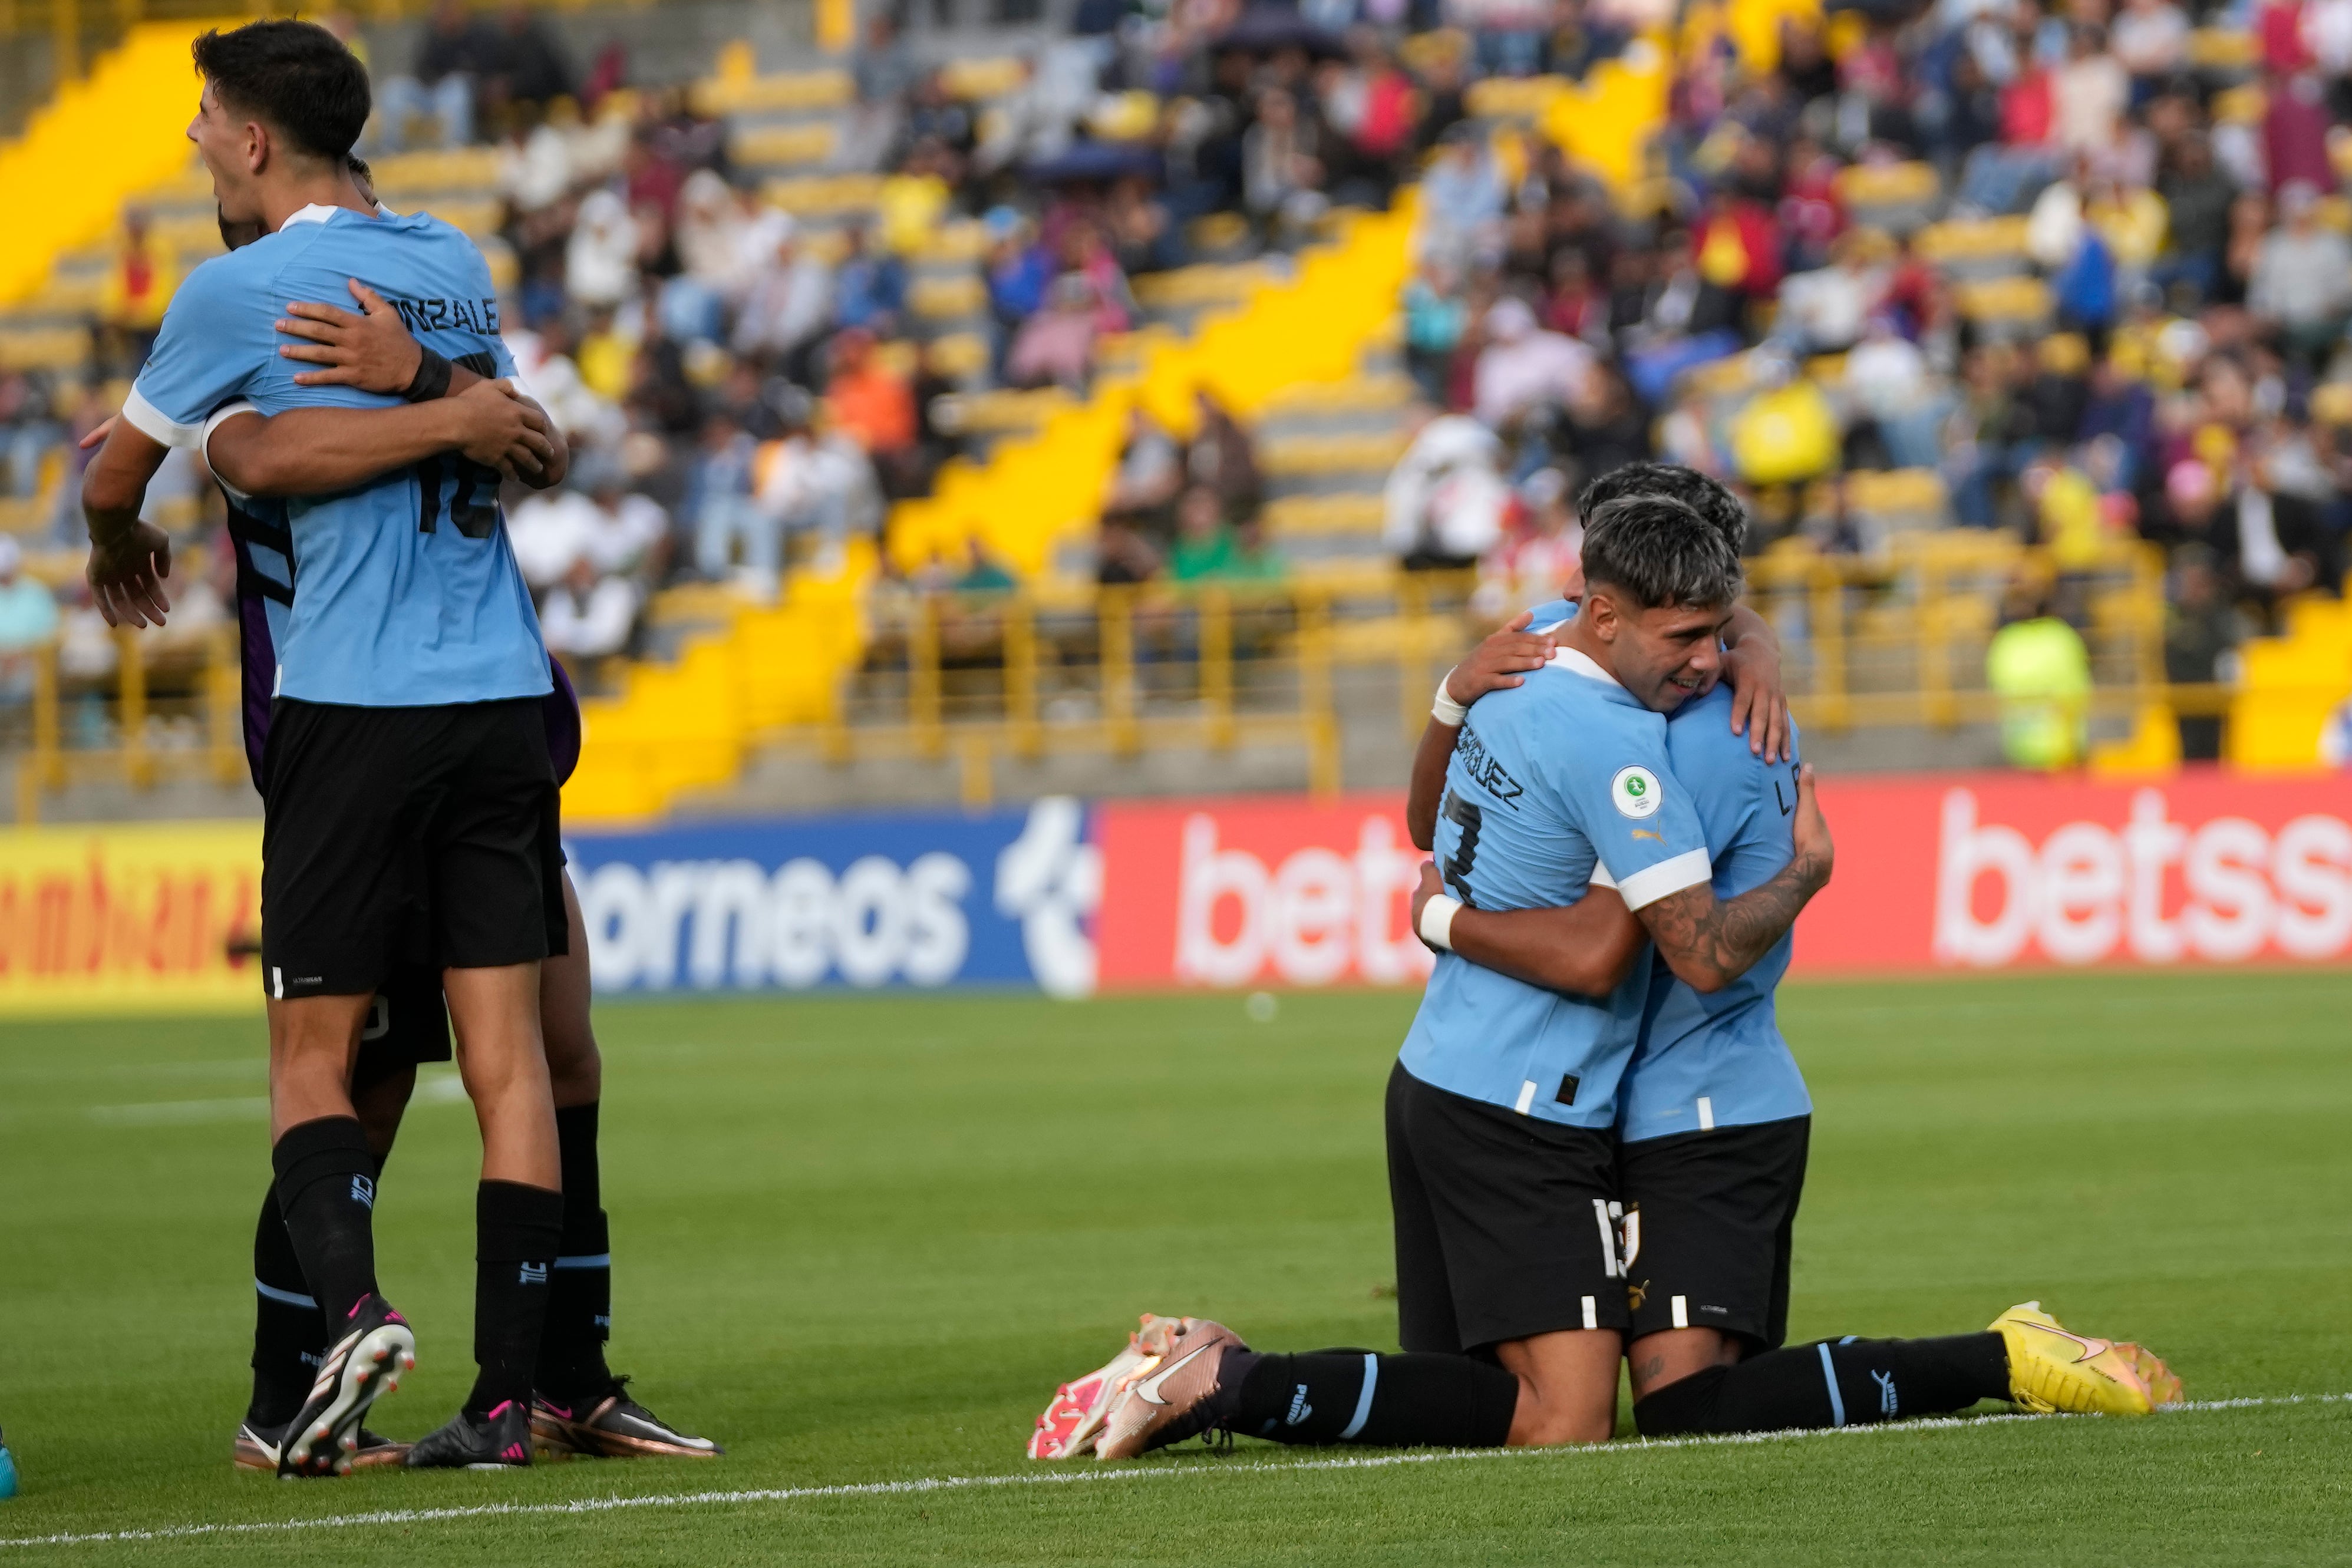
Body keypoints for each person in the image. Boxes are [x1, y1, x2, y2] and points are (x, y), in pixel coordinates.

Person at [1032, 493, 1838, 1459]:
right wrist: (1806, 873)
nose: (1708, 659)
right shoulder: (1622, 745)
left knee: (1479, 1401)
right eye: (1690, 634)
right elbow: (1665, 955)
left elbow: (1423, 829)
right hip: (1525, 1108)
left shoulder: (1535, 638)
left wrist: (1451, 700)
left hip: (1439, 1075)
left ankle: (1214, 1368)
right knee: (1565, 1418)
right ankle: (1224, 1379)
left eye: (1719, 630)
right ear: (1612, 607)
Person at [128, 151, 717, 1473]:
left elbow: (533, 446)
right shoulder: (249, 393)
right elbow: (259, 456)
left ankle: (558, 1375)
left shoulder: (415, 318)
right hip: (347, 743)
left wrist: (433, 376)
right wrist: (440, 402)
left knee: (561, 1054)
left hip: (487, 722)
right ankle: (289, 1390)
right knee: (370, 1081)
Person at [1398, 467, 2182, 1444]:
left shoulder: (1693, 734)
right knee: (1531, 1404)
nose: (1705, 652)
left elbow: (1674, 952)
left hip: (1701, 1103)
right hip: (1612, 1106)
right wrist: (1748, 647)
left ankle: (2003, 1356)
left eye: (1716, 630)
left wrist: (1806, 866)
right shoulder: (1594, 667)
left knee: (1682, 1409)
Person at [80, 20, 569, 1475]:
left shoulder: (243, 288)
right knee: (510, 1066)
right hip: (502, 694)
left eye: (202, 119)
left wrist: (118, 537)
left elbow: (119, 467)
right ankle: (506, 1403)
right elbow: (511, 437)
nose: (191, 142)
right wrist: (440, 403)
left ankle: (352, 1312)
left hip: (355, 705)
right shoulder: (458, 269)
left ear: (250, 140)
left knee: (310, 1058)